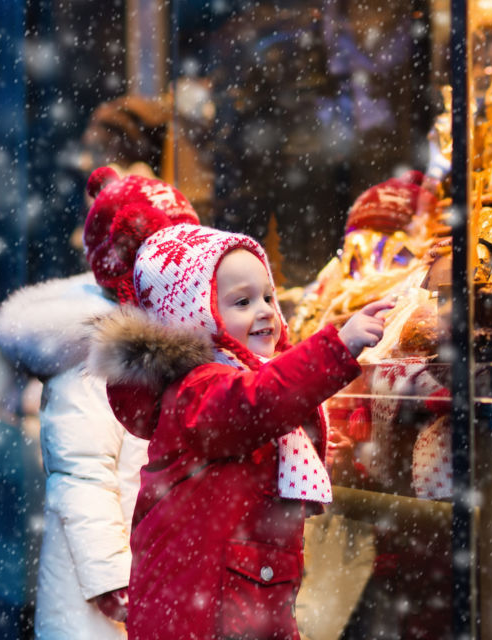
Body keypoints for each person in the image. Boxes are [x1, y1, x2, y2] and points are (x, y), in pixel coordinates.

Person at [81, 166, 390, 639]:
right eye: (241, 302)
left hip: (240, 596)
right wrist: (335, 347)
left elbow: (270, 420)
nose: (266, 310)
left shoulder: (241, 380)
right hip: (201, 610)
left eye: (267, 296)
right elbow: (258, 404)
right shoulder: (198, 389)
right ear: (195, 313)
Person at [0, 171, 200, 638]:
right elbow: (81, 475)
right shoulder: (95, 353)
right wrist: (112, 578)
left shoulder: (160, 342)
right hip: (104, 593)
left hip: (154, 571)